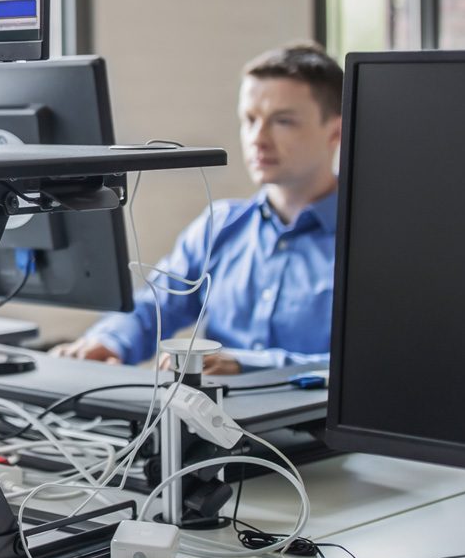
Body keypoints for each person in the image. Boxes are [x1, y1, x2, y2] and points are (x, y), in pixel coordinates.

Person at [53, 42, 344, 375]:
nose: (257, 138)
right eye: (249, 119)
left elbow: (375, 366)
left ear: (335, 131)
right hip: (214, 423)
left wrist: (248, 365)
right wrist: (109, 341)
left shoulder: (372, 243)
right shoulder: (220, 225)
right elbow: (156, 306)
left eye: (283, 121)